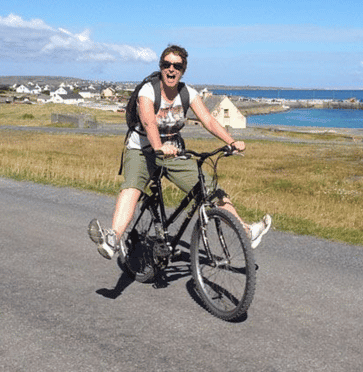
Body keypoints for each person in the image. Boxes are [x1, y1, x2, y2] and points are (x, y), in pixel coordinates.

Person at [89, 45, 272, 260]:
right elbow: (148, 121)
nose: (171, 69)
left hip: (174, 151)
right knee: (132, 186)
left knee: (210, 189)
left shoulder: (188, 93)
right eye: (166, 65)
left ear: (183, 69)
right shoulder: (149, 90)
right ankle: (113, 239)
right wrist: (158, 147)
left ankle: (247, 232)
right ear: (161, 67)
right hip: (143, 149)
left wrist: (231, 141)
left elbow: (209, 120)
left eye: (177, 66)